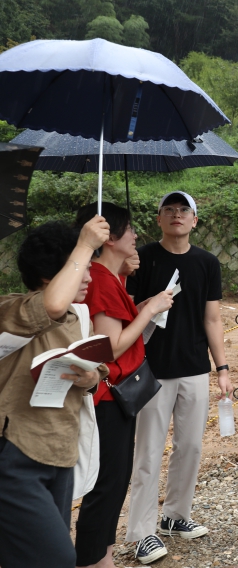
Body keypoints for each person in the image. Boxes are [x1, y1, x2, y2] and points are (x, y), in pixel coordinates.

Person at [125, 192, 231, 565]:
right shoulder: (142, 260)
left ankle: (175, 515)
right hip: (150, 369)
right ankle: (141, 533)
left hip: (194, 369)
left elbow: (212, 319)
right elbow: (126, 316)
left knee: (191, 448)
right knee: (149, 451)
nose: (176, 215)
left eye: (184, 210)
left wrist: (222, 369)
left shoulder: (207, 263)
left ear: (194, 221)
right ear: (158, 219)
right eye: (168, 210)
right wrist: (148, 299)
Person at [0, 218, 109, 568]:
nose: (89, 277)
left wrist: (89, 379)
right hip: (16, 455)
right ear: (51, 276)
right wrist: (85, 243)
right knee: (58, 558)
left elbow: (96, 370)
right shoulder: (11, 310)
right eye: (82, 269)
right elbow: (50, 307)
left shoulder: (78, 317)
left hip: (61, 453)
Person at [74, 204, 175, 568]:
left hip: (117, 395)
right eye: (130, 229)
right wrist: (149, 311)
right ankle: (90, 560)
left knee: (116, 479)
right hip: (106, 396)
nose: (135, 236)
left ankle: (105, 556)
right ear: (111, 237)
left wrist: (142, 304)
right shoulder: (99, 278)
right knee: (106, 483)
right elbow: (110, 345)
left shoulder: (110, 277)